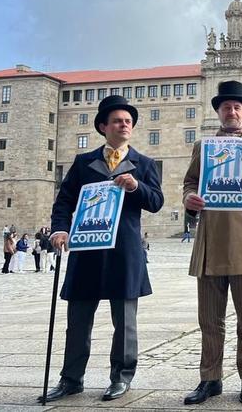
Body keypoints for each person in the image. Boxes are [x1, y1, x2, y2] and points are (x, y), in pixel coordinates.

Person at [40, 95, 164, 403]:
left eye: (128, 122)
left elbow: (156, 202)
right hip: (86, 250)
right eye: (118, 121)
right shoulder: (83, 163)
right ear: (102, 126)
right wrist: (59, 229)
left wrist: (137, 187)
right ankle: (71, 379)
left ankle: (121, 377)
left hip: (124, 250)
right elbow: (65, 200)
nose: (124, 126)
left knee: (125, 323)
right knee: (78, 320)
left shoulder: (144, 164)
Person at [182, 81, 242, 406]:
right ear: (219, 112)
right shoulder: (203, 146)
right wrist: (189, 199)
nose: (232, 111)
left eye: (237, 107)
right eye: (226, 107)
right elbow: (190, 181)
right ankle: (209, 379)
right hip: (210, 244)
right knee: (209, 320)